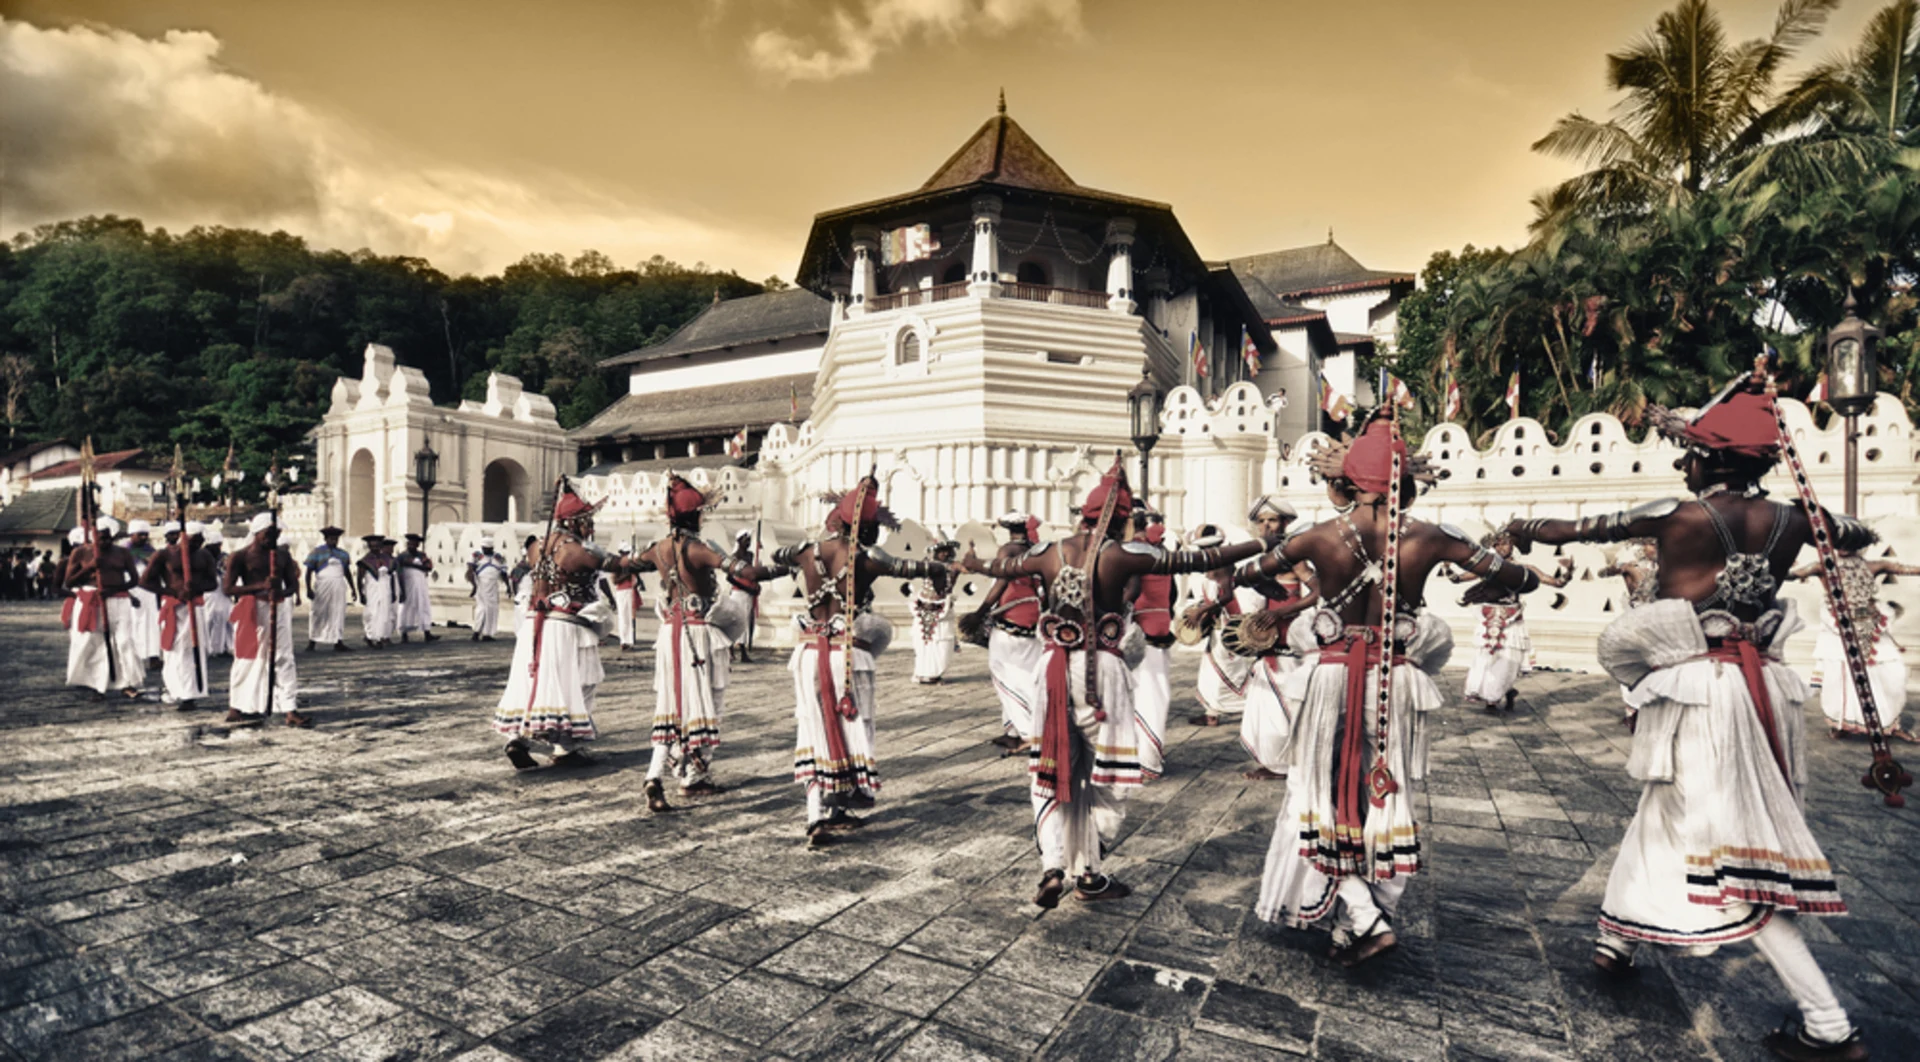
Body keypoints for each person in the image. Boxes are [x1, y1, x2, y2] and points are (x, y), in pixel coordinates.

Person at [1506, 379, 1873, 1062]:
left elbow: (1576, 531)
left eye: (1693, 454)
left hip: (1706, 697)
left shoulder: (1680, 513)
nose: (1685, 465)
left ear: (1712, 461)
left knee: (1737, 855)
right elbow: (1859, 533)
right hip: (1762, 687)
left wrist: (1523, 529)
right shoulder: (1796, 519)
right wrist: (1810, 517)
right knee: (1663, 816)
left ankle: (1828, 1025)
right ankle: (1618, 938)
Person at [1256, 411, 1539, 967]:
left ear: (1351, 479)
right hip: (1399, 677)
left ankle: (1362, 915)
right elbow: (1512, 574)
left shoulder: (1317, 535)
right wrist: (1520, 567)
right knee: (1386, 792)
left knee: (1321, 792)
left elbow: (1258, 569)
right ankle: (1357, 919)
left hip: (1333, 674)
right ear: (1404, 480)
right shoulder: (1433, 536)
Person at [962, 459, 1286, 906]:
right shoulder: (1125, 554)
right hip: (1103, 676)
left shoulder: (1050, 550)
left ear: (1083, 515)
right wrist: (1261, 542)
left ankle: (1053, 865)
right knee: (1107, 777)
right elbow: (1200, 558)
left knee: (1050, 768)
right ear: (1122, 518)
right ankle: (1091, 874)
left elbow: (1004, 569)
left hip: (1052, 670)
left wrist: (974, 562)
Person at [773, 473, 949, 847]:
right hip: (846, 655)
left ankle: (816, 815)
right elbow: (912, 568)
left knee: (812, 728)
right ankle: (841, 801)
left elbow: (776, 557)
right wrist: (939, 568)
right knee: (854, 724)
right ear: (864, 526)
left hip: (807, 652)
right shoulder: (868, 557)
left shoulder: (807, 550)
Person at [627, 475, 785, 811]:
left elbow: (627, 564)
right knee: (706, 703)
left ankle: (654, 775)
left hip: (669, 634)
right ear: (695, 516)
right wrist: (788, 566)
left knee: (670, 705)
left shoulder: (658, 548)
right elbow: (748, 574)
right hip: (697, 636)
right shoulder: (701, 548)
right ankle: (693, 778)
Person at [492, 486, 631, 770]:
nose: (590, 525)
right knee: (582, 681)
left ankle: (518, 739)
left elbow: (521, 572)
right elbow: (621, 565)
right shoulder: (579, 550)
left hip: (534, 623)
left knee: (532, 683)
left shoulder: (535, 546)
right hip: (567, 625)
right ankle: (565, 747)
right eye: (586, 519)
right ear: (573, 521)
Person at [1232, 497, 1319, 781]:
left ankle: (1286, 764)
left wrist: (1286, 610)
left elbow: (1318, 590)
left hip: (1289, 640)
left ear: (1285, 523)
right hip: (1265, 639)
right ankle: (1274, 762)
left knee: (1288, 702)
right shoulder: (1255, 559)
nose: (1266, 525)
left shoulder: (1294, 558)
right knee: (1265, 704)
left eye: (1272, 520)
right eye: (1262, 521)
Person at [1791, 551, 1920, 742]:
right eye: (1840, 540)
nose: (1845, 547)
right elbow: (1792, 574)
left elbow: (1907, 569)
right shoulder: (1822, 566)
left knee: (1890, 674)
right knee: (1840, 677)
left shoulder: (1875, 565)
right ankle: (1840, 724)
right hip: (1837, 624)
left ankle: (1890, 725)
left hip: (1870, 624)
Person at [1448, 533, 1573, 713]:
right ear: (1495, 547)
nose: (1506, 547)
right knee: (1486, 658)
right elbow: (1457, 579)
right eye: (1501, 544)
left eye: (1509, 543)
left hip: (1511, 618)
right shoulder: (1486, 568)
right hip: (1489, 617)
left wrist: (1569, 572)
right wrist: (1447, 566)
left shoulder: (1523, 569)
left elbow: (1556, 583)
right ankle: (1492, 699)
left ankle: (1500, 693)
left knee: (1508, 661)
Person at [965, 513, 1046, 754]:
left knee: (1006, 674)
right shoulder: (1037, 550)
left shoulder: (1007, 549)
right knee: (1028, 672)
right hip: (1033, 617)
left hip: (1012, 617)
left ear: (1008, 529)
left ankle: (1030, 733)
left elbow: (1001, 581)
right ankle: (1012, 731)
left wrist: (980, 612)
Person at [223, 512, 308, 728]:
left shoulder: (282, 556)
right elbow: (228, 588)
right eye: (268, 534)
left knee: (283, 657)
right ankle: (236, 706)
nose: (272, 538)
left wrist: (280, 589)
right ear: (257, 532)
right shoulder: (240, 556)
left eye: (277, 534)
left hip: (277, 608)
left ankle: (289, 708)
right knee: (247, 657)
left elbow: (292, 586)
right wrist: (260, 587)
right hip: (252, 609)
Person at [63, 518, 146, 700]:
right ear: (93, 538)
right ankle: (96, 685)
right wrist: (90, 568)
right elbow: (69, 582)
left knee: (124, 641)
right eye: (101, 539)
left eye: (108, 538)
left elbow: (133, 580)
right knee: (94, 642)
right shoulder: (81, 552)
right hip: (93, 601)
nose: (105, 542)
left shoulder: (122, 553)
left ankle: (127, 683)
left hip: (118, 600)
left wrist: (114, 589)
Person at [1186, 526, 1258, 727]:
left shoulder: (1223, 565)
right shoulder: (1213, 566)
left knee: (1229, 670)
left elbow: (1225, 596)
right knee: (1211, 671)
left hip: (1229, 621)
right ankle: (1211, 712)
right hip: (1219, 624)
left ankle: (1240, 709)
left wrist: (1203, 610)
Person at [141, 520, 216, 710]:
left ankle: (191, 694)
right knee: (176, 651)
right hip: (174, 607)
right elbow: (145, 581)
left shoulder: (204, 555)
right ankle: (178, 690)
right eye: (192, 541)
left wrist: (196, 587)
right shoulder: (164, 554)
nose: (195, 545)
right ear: (183, 538)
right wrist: (174, 592)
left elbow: (213, 583)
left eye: (199, 542)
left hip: (196, 607)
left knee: (194, 650)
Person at [1129, 513, 1174, 777]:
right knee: (1157, 691)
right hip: (1162, 623)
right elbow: (1174, 593)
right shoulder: (1164, 553)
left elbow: (1132, 591)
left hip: (1141, 627)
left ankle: (1147, 758)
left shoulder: (1135, 554)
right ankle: (1152, 748)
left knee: (1144, 694)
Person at [910, 541, 960, 684]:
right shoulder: (927, 565)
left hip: (942, 609)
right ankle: (923, 673)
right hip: (922, 609)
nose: (944, 554)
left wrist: (971, 553)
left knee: (943, 643)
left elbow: (968, 568)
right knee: (922, 643)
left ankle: (934, 674)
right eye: (941, 551)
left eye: (946, 551)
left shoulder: (953, 567)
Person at [303, 526, 356, 652]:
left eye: (336, 539)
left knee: (338, 612)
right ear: (326, 539)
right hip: (323, 585)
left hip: (338, 585)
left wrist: (353, 588)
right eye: (331, 539)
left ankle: (338, 640)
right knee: (318, 612)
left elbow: (347, 572)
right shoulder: (316, 552)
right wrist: (308, 588)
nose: (334, 541)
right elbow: (309, 571)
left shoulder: (343, 554)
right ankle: (313, 641)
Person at [123, 519, 162, 669]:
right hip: (131, 593)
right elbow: (118, 576)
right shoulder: (123, 552)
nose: (144, 537)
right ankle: (134, 660)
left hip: (149, 594)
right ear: (132, 534)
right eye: (140, 535)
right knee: (133, 627)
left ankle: (153, 658)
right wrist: (129, 596)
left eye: (146, 534)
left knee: (152, 626)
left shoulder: (150, 551)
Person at [395, 533, 438, 642]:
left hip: (421, 585)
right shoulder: (402, 556)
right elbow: (398, 572)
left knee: (423, 606)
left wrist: (413, 565)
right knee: (406, 608)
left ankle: (427, 632)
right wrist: (401, 589)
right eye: (410, 543)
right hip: (408, 585)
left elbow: (429, 567)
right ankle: (404, 634)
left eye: (415, 544)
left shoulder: (421, 555)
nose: (412, 546)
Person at [357, 536, 398, 648]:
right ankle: (370, 635)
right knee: (372, 613)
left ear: (381, 546)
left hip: (385, 588)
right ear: (369, 546)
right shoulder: (365, 561)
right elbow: (359, 578)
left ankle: (380, 637)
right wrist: (360, 594)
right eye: (372, 546)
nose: (375, 548)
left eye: (377, 545)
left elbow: (392, 577)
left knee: (384, 613)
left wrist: (394, 592)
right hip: (372, 588)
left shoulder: (388, 559)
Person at [467, 537, 509, 641]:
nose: (485, 550)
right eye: (484, 547)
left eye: (487, 548)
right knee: (481, 608)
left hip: (493, 586)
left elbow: (504, 573)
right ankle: (476, 631)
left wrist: (508, 586)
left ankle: (488, 633)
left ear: (492, 548)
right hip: (481, 585)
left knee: (492, 609)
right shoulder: (476, 555)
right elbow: (469, 571)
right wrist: (474, 586)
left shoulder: (499, 557)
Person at [202, 527, 234, 657]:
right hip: (209, 593)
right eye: (216, 545)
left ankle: (225, 646)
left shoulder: (224, 557)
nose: (219, 547)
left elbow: (228, 572)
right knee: (209, 619)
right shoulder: (202, 556)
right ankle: (209, 647)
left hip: (222, 591)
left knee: (227, 619)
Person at [610, 543, 641, 650]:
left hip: (630, 590)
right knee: (623, 616)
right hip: (622, 591)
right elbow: (614, 580)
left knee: (629, 616)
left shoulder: (631, 564)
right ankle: (624, 640)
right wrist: (627, 575)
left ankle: (629, 640)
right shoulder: (617, 564)